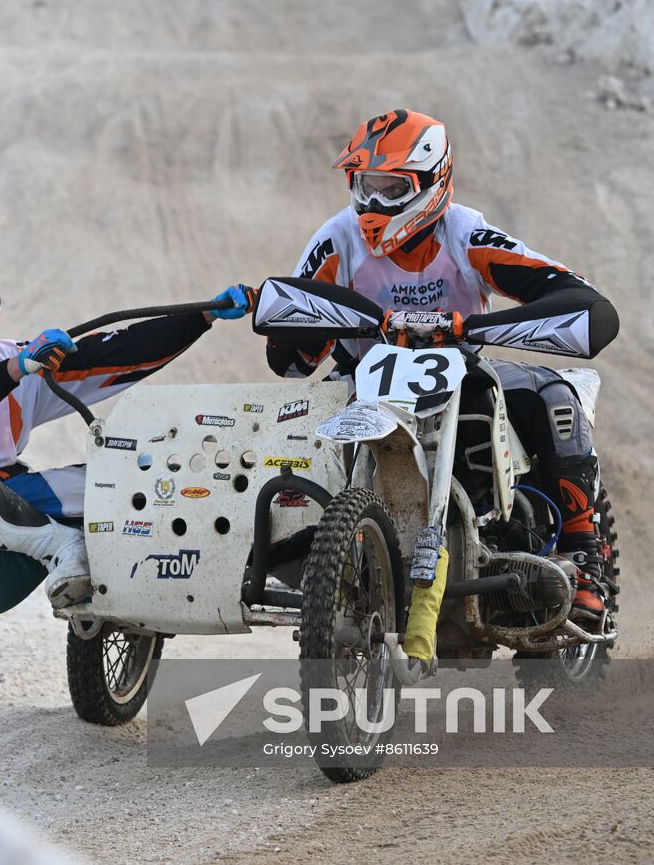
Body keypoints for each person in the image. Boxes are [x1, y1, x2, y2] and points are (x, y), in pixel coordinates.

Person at [265, 109, 620, 623]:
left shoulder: (467, 235)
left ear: (433, 182)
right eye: (364, 185)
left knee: (554, 395)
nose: (372, 203)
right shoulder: (337, 238)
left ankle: (585, 561)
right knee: (290, 425)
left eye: (391, 189)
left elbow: (575, 295)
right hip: (362, 383)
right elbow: (290, 361)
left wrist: (489, 327)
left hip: (460, 374)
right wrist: (308, 327)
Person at [0, 253, 252, 618]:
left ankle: (235, 551)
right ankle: (63, 547)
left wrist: (200, 317)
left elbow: (114, 354)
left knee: (140, 471)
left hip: (18, 532)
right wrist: (14, 370)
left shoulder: (15, 364)